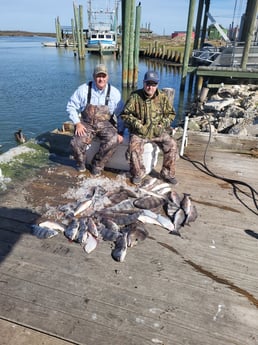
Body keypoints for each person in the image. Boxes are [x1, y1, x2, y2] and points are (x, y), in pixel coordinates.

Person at [121, 70, 178, 185]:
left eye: (153, 84)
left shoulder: (162, 97)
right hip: (140, 132)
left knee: (172, 144)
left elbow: (171, 114)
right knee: (133, 147)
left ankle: (167, 173)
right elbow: (125, 114)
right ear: (143, 83)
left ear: (157, 85)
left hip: (158, 132)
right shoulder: (135, 97)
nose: (150, 87)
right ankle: (138, 173)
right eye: (148, 84)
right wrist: (137, 124)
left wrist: (163, 124)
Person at [66, 64, 124, 175]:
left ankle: (97, 165)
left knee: (114, 139)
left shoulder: (114, 93)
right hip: (86, 124)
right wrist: (77, 123)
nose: (101, 79)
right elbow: (71, 106)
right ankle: (81, 164)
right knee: (76, 143)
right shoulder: (83, 89)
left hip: (106, 124)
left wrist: (120, 131)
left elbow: (121, 114)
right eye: (98, 76)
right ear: (93, 77)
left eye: (103, 76)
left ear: (107, 77)